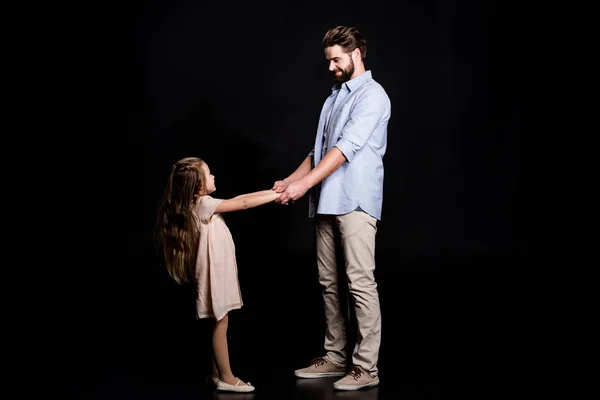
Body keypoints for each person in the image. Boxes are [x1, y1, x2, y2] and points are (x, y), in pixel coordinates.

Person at [273, 26, 391, 390]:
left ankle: (366, 368)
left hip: (355, 202)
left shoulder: (373, 96)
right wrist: (290, 180)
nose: (331, 67)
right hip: (325, 201)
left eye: (337, 60)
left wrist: (302, 185)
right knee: (328, 283)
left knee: (359, 284)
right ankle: (336, 357)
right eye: (329, 61)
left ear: (357, 55)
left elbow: (345, 150)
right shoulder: (334, 96)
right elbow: (320, 151)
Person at [156, 157, 280, 393]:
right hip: (213, 273)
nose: (214, 176)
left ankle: (215, 373)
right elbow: (242, 202)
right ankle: (227, 377)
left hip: (216, 271)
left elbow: (242, 200)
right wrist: (275, 195)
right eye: (209, 173)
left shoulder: (195, 204)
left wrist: (273, 190)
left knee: (219, 319)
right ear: (199, 187)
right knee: (220, 322)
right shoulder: (203, 203)